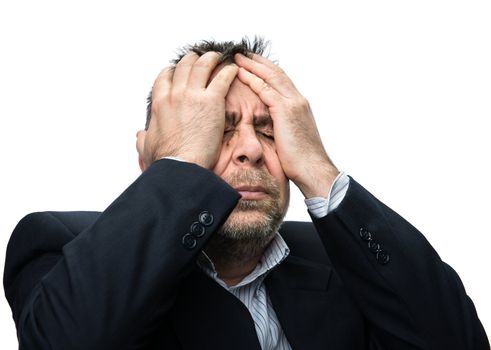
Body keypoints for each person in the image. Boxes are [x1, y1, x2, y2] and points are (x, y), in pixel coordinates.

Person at [3, 37, 489, 350]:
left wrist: (319, 171)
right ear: (155, 158)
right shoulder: (54, 243)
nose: (251, 150)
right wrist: (177, 170)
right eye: (216, 131)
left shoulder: (339, 258)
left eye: (269, 129)